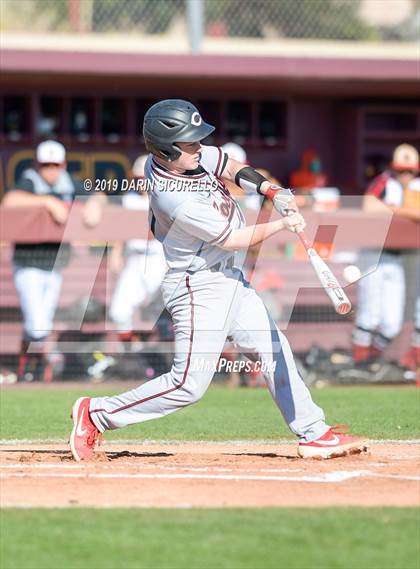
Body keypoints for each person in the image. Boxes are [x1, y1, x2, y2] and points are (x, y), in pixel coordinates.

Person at [69, 99, 368, 461]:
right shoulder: (173, 198)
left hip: (229, 278)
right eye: (189, 142)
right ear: (165, 148)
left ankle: (313, 432)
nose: (199, 148)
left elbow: (229, 165)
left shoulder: (181, 157)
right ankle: (96, 413)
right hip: (199, 286)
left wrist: (269, 190)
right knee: (188, 385)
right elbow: (231, 239)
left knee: (274, 349)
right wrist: (281, 223)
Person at [2, 140, 106, 381]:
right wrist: (48, 202)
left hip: (56, 264)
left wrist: (93, 204)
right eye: (46, 164)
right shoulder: (30, 180)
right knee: (39, 324)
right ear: (38, 164)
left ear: (63, 164)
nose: (51, 169)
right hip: (28, 262)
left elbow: (98, 195)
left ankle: (26, 367)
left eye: (55, 164)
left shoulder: (68, 181)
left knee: (40, 323)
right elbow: (11, 200)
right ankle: (49, 358)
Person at [352, 144, 420, 365]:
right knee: (369, 314)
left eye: (409, 171)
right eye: (401, 170)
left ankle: (371, 362)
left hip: (396, 256)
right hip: (373, 252)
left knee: (392, 324)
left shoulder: (417, 187)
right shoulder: (384, 181)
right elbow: (368, 205)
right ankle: (359, 362)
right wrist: (404, 213)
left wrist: (392, 209)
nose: (405, 175)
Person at [109, 155, 167, 348]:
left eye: (146, 178)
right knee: (119, 311)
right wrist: (116, 253)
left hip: (161, 260)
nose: (142, 183)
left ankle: (160, 357)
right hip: (135, 259)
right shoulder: (128, 200)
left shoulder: (168, 200)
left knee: (163, 314)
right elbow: (119, 229)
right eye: (139, 179)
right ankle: (132, 350)